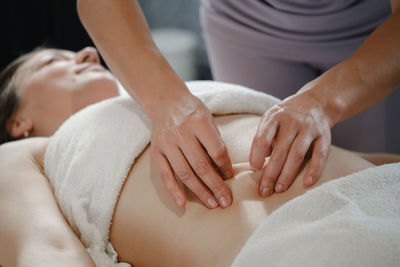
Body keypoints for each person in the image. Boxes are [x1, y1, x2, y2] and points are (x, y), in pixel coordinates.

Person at [2, 47, 399, 266]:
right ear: (18, 120)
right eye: (53, 61)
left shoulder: (178, 95)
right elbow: (46, 248)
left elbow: (354, 156)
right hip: (301, 245)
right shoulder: (27, 154)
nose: (88, 53)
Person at [76, 0, 400, 209]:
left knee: (375, 190)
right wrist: (164, 100)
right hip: (242, 19)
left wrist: (322, 101)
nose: (85, 57)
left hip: (372, 27)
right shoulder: (30, 161)